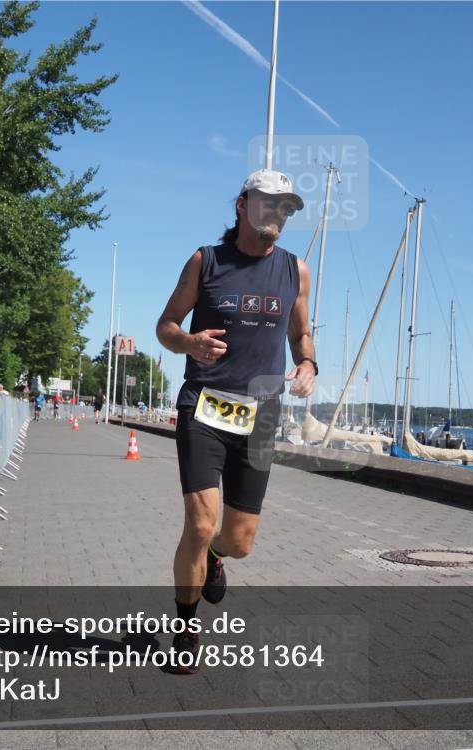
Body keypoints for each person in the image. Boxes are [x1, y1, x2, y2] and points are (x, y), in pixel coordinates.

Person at [156, 168, 317, 674]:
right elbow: (165, 326)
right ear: (243, 205)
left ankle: (216, 559)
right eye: (269, 203)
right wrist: (188, 342)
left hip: (261, 415)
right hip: (203, 405)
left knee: (240, 541)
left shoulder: (296, 271)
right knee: (201, 524)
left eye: (286, 207)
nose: (278, 214)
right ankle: (185, 630)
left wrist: (308, 364)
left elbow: (301, 334)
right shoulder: (206, 261)